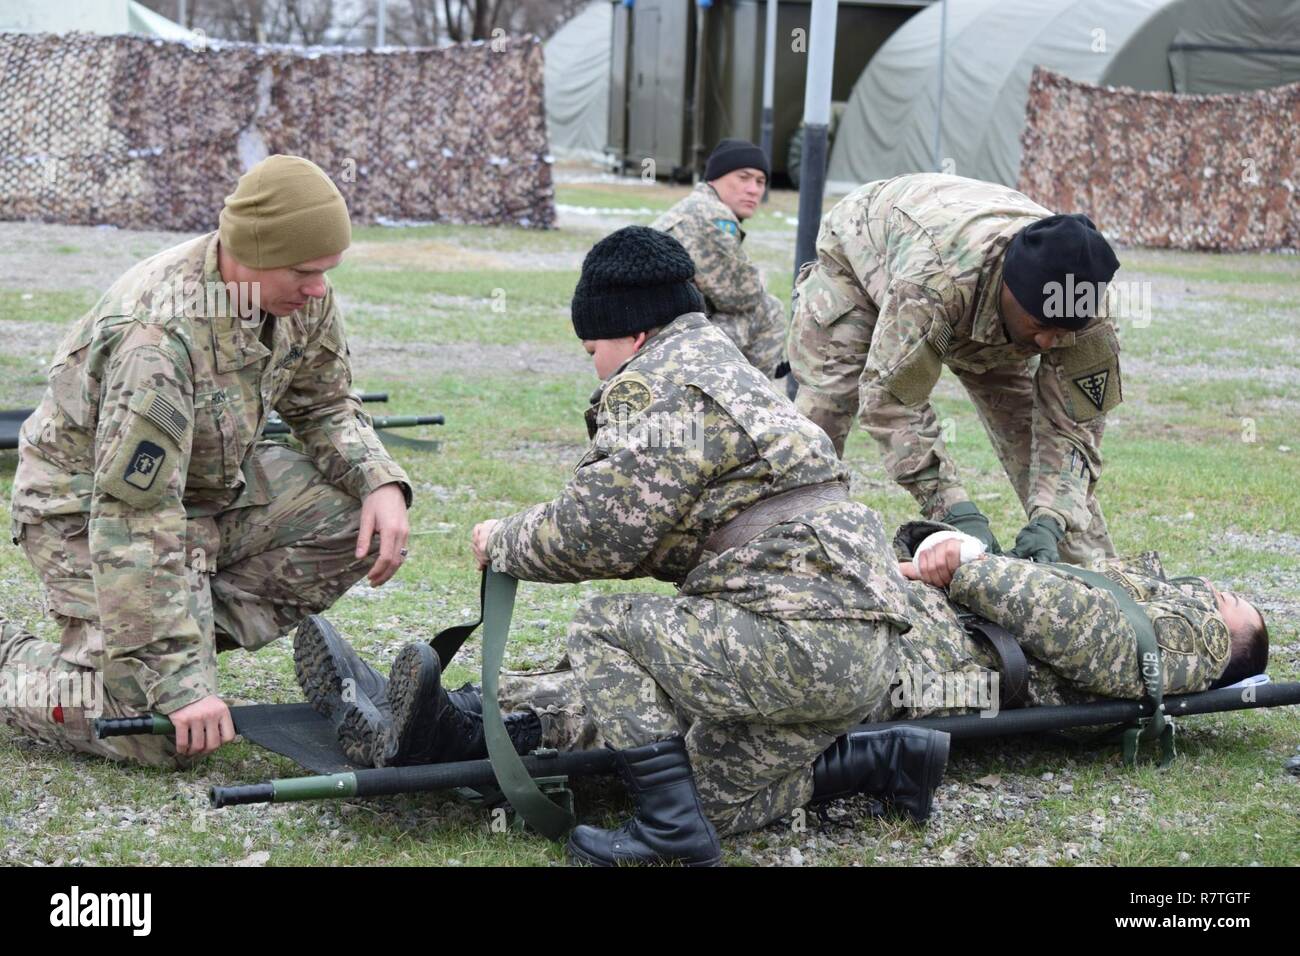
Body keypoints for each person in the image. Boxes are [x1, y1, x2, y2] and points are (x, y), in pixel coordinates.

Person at [301, 226, 950, 866]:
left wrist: (504, 539)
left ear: (633, 333)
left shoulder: (663, 379)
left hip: (798, 634)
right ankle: (889, 757)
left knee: (606, 633)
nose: (596, 365)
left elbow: (598, 532)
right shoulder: (722, 363)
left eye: (593, 349)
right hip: (858, 648)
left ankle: (662, 831)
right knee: (711, 798)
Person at [0, 155, 412, 768]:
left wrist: (380, 481)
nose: (320, 287)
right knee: (158, 732)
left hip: (204, 496)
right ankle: (22, 668)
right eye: (305, 271)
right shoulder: (158, 338)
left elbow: (325, 402)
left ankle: (169, 637)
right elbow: (134, 519)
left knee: (354, 514)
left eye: (327, 271)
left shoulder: (297, 296)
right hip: (84, 515)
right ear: (251, 252)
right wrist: (180, 685)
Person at [786, 172, 1124, 566]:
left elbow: (1074, 426)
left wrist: (1052, 520)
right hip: (864, 255)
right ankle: (787, 547)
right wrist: (953, 511)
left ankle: (1098, 580)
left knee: (1031, 443)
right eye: (1040, 327)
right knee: (826, 409)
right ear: (1011, 292)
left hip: (979, 299)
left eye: (1062, 331)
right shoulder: (934, 281)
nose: (1048, 343)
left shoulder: (1087, 305)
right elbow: (892, 403)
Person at [650, 139, 787, 378]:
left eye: (760, 181)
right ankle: (749, 399)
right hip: (660, 339)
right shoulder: (712, 214)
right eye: (743, 178)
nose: (753, 189)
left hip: (648, 330)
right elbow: (741, 296)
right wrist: (759, 279)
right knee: (768, 308)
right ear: (714, 177)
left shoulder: (693, 207)